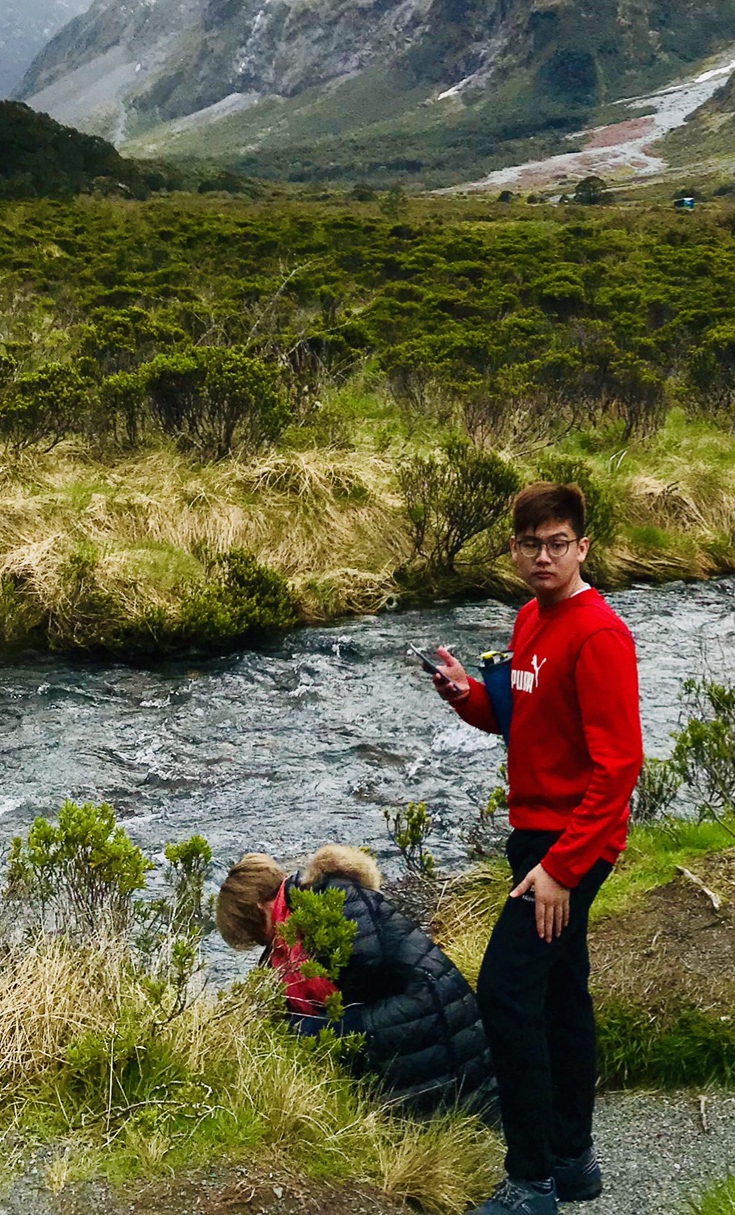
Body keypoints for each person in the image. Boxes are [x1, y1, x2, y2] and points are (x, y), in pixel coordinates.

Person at [432, 481, 643, 1215]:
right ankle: (571, 1161)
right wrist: (466, 693)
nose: (543, 556)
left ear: (582, 547)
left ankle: (531, 1182)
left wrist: (561, 869)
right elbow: (519, 719)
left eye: (558, 543)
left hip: (569, 844)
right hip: (534, 836)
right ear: (514, 549)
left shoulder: (599, 634)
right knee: (558, 991)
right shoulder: (530, 619)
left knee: (506, 991)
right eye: (530, 543)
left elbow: (619, 766)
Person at [215, 843, 494, 1116]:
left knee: (299, 1033)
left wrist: (322, 1026)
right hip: (424, 1017)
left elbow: (368, 969)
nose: (258, 941)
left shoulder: (332, 896)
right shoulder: (288, 936)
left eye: (252, 931)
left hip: (429, 1009)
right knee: (295, 1031)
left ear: (259, 909)